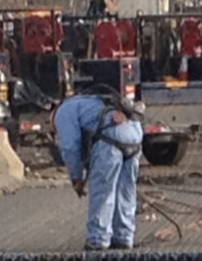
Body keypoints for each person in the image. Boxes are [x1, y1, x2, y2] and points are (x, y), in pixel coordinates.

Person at [54, 89, 146, 251]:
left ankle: (98, 240)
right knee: (126, 192)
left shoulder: (63, 112)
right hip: (134, 137)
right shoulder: (88, 101)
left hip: (110, 141)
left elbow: (70, 148)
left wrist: (76, 178)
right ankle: (123, 238)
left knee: (103, 191)